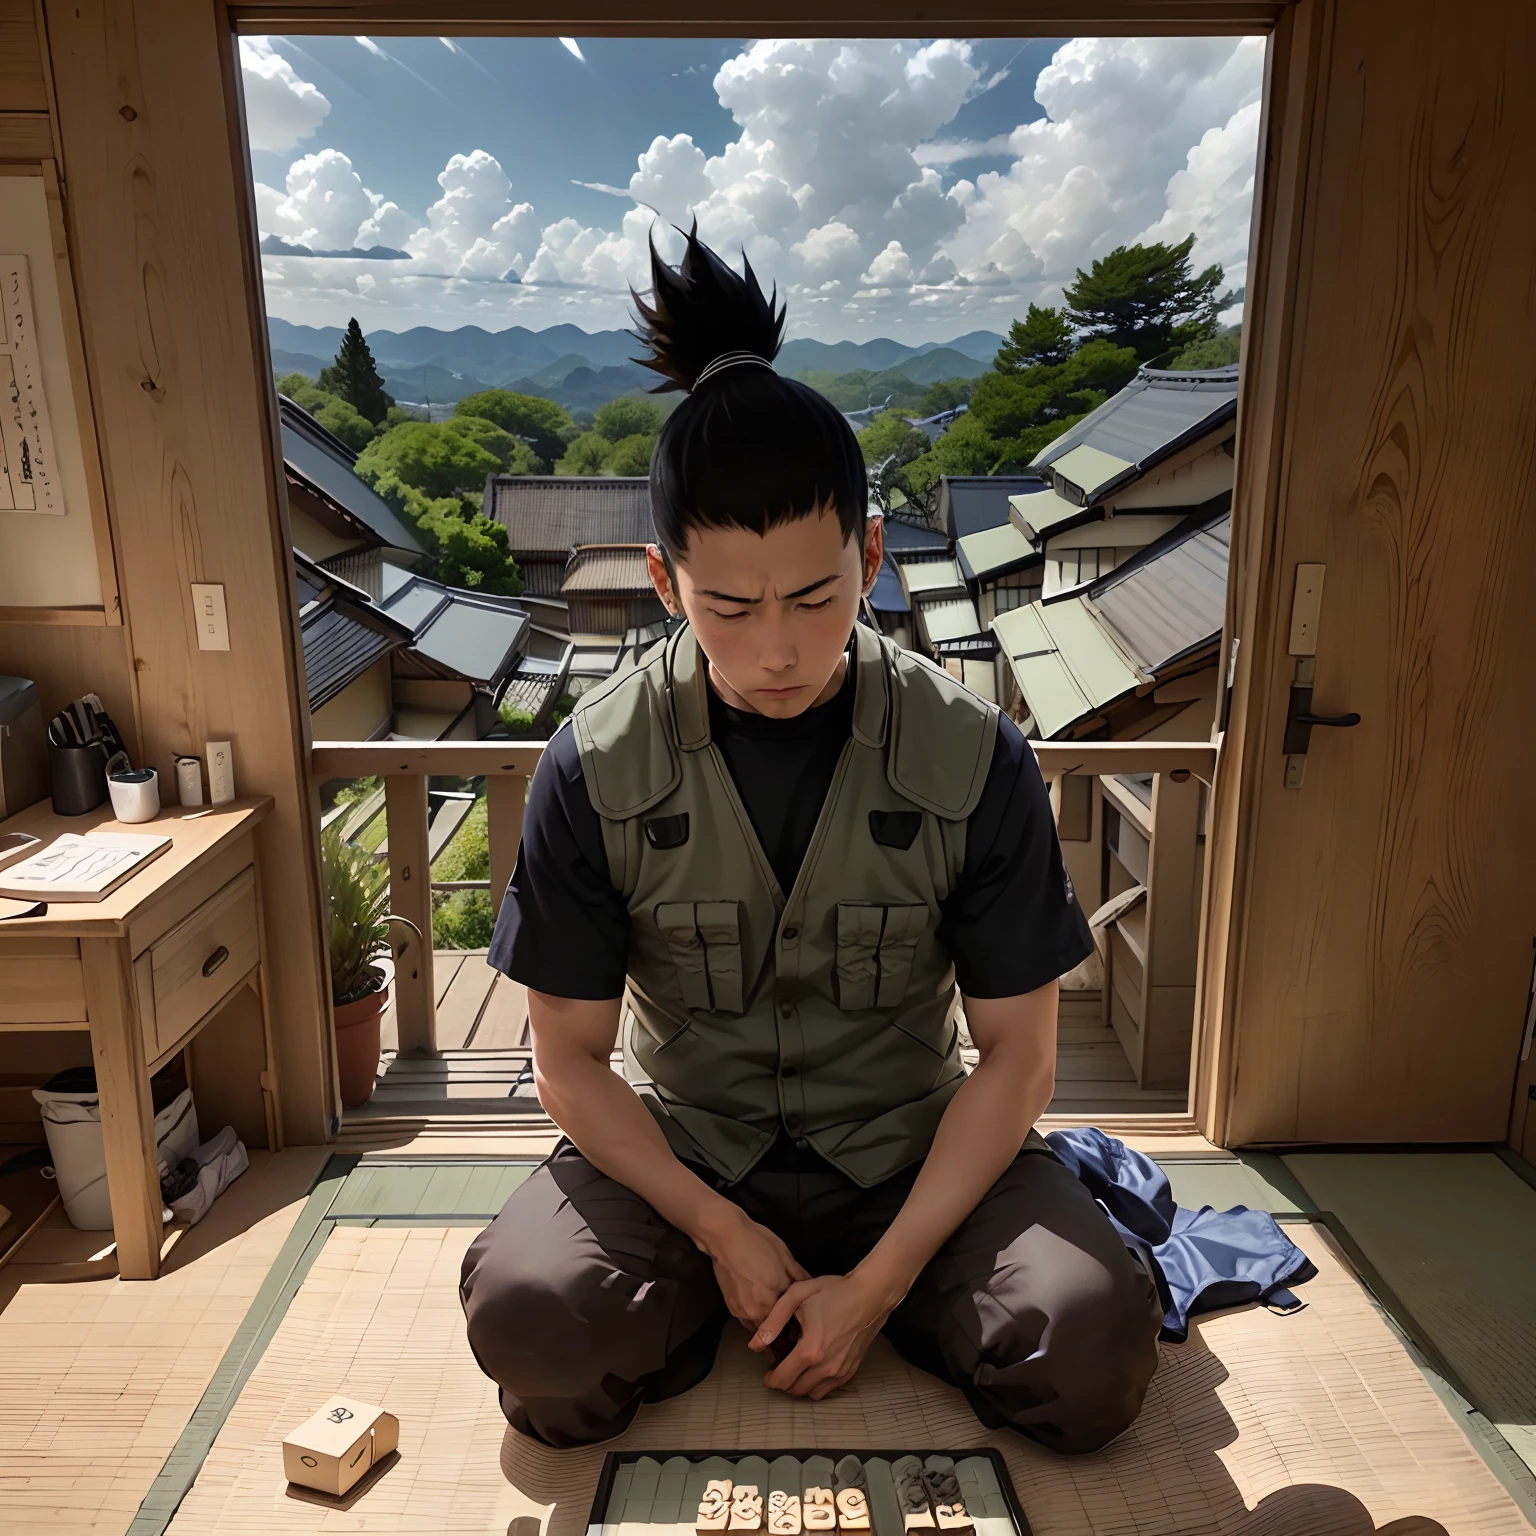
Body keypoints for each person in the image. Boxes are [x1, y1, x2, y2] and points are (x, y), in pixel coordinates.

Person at [460, 228, 1163, 1454]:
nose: (779, 647)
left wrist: (882, 1280)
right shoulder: (594, 760)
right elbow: (569, 1064)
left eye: (818, 597)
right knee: (535, 1330)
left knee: (1093, 1345)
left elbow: (1017, 1062)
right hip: (691, 1161)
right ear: (665, 582)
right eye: (730, 605)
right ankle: (732, 1291)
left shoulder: (972, 753)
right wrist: (718, 1229)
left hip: (912, 1151)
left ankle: (873, 1307)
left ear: (874, 557)